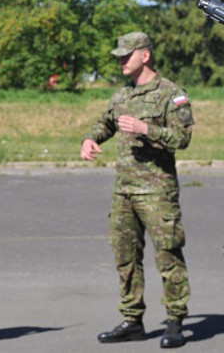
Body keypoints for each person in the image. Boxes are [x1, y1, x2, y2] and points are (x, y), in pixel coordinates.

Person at [80, 32, 194, 349]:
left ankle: (174, 321)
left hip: (157, 191)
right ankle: (132, 320)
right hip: (125, 191)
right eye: (118, 55)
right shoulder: (122, 95)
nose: (120, 60)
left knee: (168, 255)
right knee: (125, 257)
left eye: (126, 55)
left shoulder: (171, 94)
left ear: (145, 55)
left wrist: (147, 129)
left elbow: (182, 139)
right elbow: (105, 123)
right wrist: (89, 139)